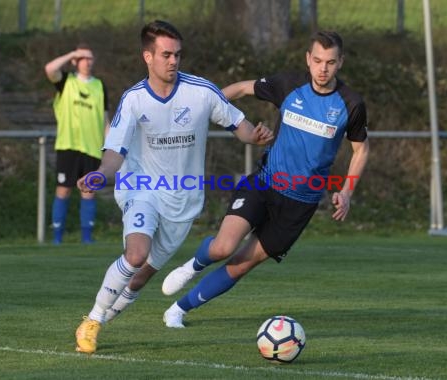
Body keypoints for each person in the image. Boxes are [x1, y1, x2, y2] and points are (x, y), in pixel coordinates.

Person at [74, 20, 273, 354]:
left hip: (183, 200)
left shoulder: (201, 92)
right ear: (147, 57)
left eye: (177, 55)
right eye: (166, 55)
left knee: (138, 278)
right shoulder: (134, 100)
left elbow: (238, 123)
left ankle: (100, 321)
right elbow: (114, 153)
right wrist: (100, 174)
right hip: (142, 188)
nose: (173, 61)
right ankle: (92, 320)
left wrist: (253, 136)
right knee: (135, 254)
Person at [162, 30, 370, 328]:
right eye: (318, 60)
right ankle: (192, 266)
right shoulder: (288, 85)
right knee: (224, 247)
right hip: (265, 183)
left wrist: (347, 191)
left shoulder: (351, 103)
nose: (323, 69)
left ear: (341, 63)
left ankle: (178, 310)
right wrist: (202, 110)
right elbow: (243, 88)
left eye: (331, 62)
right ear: (308, 59)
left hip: (301, 204)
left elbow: (361, 149)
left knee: (240, 265)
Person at [44, 43, 110, 244]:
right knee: (63, 189)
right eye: (83, 58)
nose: (87, 62)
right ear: (75, 61)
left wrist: (109, 147)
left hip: (92, 148)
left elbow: (105, 119)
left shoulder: (99, 86)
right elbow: (50, 69)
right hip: (68, 146)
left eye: (90, 58)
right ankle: (57, 238)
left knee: (88, 191)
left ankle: (87, 239)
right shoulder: (66, 81)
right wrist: (72, 52)